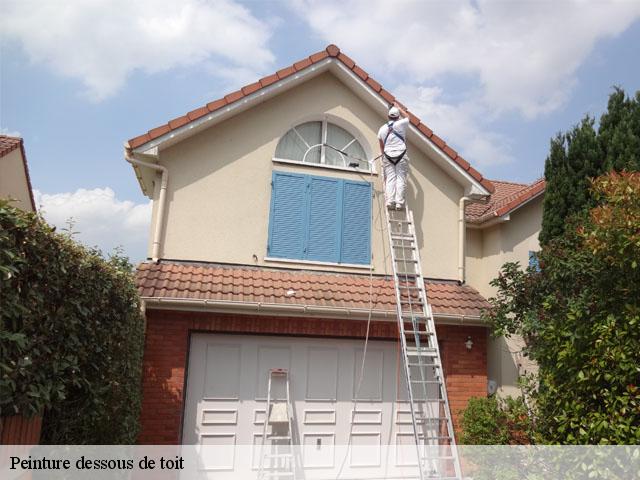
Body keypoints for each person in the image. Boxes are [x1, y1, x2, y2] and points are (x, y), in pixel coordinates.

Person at [378, 103, 410, 209]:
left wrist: (384, 156)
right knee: (400, 178)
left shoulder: (381, 129)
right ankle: (399, 202)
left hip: (388, 156)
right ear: (398, 117)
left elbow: (381, 145)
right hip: (401, 155)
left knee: (390, 179)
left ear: (388, 116)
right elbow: (408, 117)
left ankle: (390, 201)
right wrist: (399, 108)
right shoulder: (401, 123)